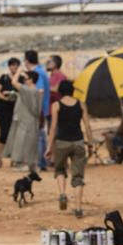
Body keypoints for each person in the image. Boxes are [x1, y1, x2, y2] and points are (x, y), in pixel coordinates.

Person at [46, 80, 92, 218]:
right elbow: (87, 126)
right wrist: (90, 144)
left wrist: (49, 147)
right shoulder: (81, 104)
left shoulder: (56, 105)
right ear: (73, 91)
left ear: (60, 92)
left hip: (62, 143)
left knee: (60, 169)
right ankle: (78, 208)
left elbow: (53, 128)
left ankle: (62, 194)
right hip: (78, 142)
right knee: (78, 177)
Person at [3, 67, 44, 172]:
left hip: (26, 121)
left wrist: (19, 71)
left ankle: (25, 164)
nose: (24, 81)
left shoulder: (28, 90)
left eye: (26, 79)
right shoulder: (37, 91)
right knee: (30, 142)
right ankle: (32, 164)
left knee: (23, 142)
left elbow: (14, 82)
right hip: (32, 121)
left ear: (31, 80)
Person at [24, 50, 51, 171]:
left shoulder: (36, 73)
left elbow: (39, 91)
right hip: (42, 108)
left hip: (37, 109)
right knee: (41, 136)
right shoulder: (41, 71)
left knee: (38, 137)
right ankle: (42, 162)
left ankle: (39, 163)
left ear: (27, 60)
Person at [0, 58, 21, 168]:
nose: (13, 67)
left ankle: (14, 158)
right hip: (4, 109)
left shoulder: (22, 78)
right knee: (3, 134)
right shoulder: (4, 78)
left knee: (15, 134)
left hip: (17, 109)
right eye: (11, 65)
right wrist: (5, 98)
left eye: (15, 65)